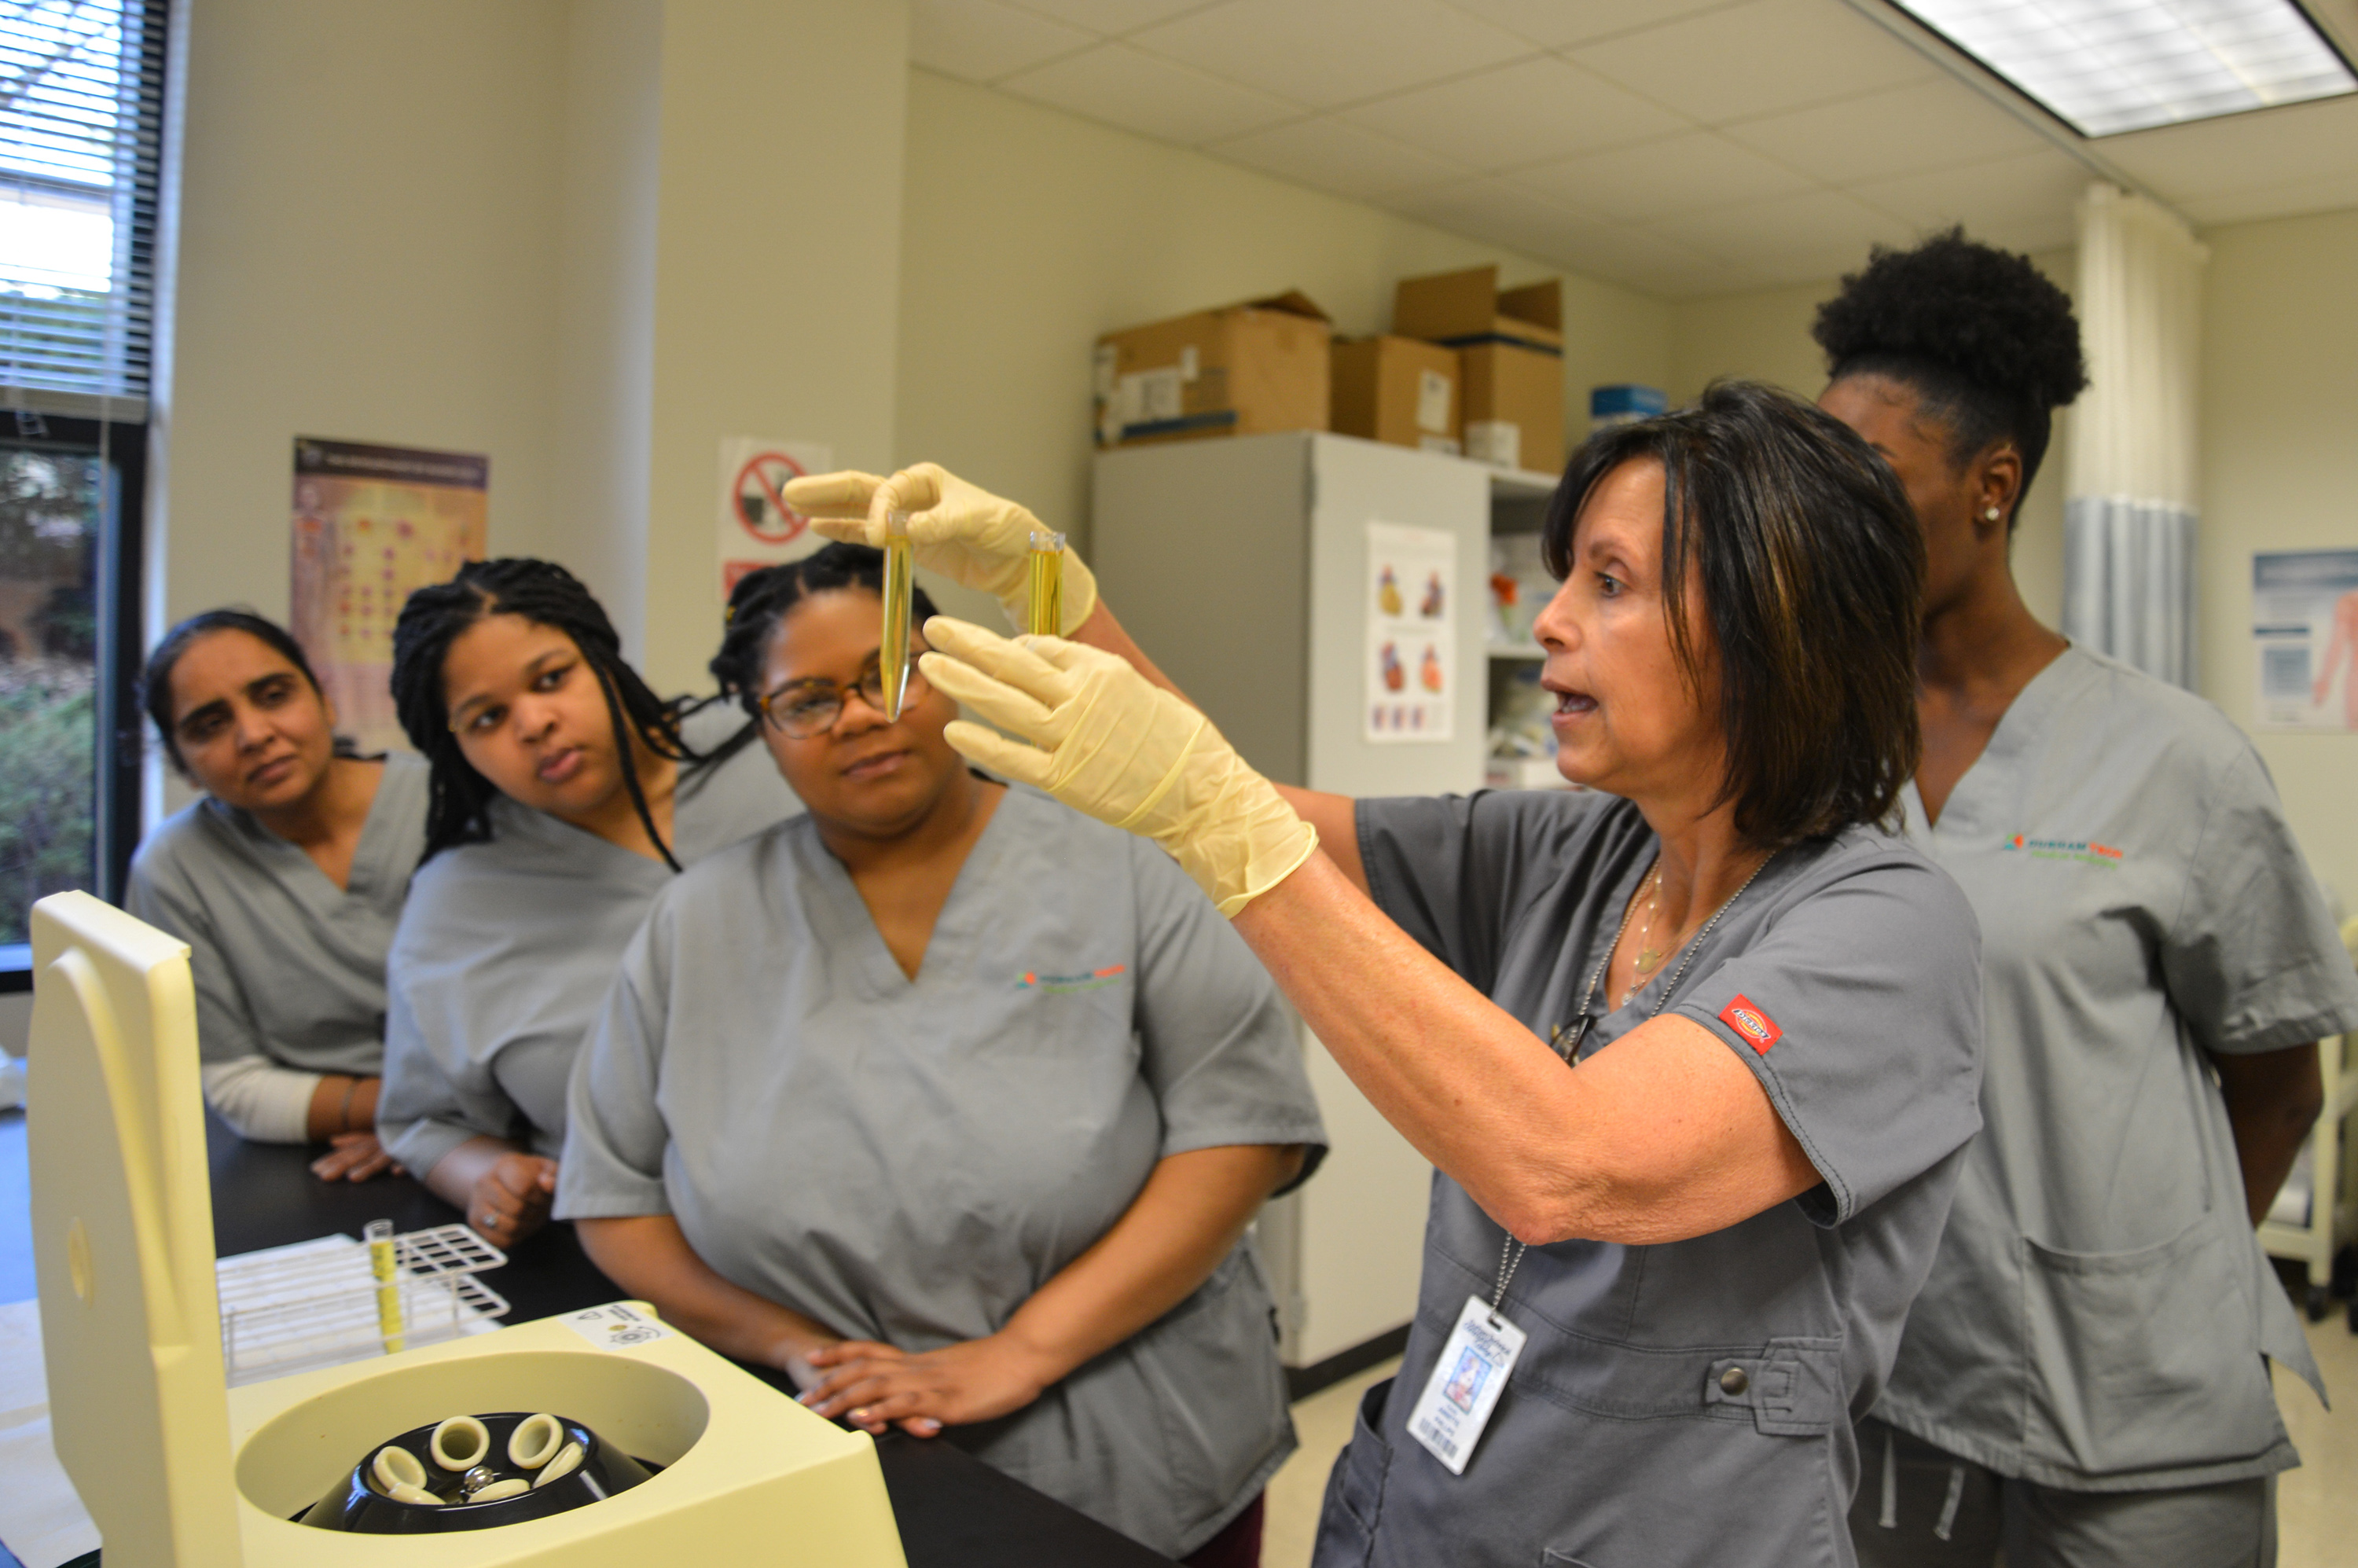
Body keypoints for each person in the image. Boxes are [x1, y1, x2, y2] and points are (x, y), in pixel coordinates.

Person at [789, 393, 1986, 1568]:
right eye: (1567, 576)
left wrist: (1211, 816)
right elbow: (1251, 807)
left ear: (1775, 630)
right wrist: (1047, 588)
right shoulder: (1580, 849)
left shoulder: (1886, 930)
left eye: (1610, 583)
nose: (1551, 620)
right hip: (1421, 1515)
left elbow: (1570, 1164)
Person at [553, 545, 1322, 1565]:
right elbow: (614, 1194)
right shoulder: (694, 923)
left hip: (1137, 1439)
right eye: (806, 700)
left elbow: (1242, 1131)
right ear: (760, 728)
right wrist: (793, 1345)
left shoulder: (1125, 864)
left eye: (891, 672)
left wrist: (1022, 1350)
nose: (860, 716)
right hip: (827, 1438)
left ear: (950, 669)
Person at [1813, 231, 2358, 1566]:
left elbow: (2280, 1086)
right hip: (1891, 1392)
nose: (1830, 517)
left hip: (2140, 1425)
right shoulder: (1816, 757)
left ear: (1992, 486)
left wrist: (2140, 1297)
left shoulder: (2176, 759)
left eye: (1870, 479)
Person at [376, 559, 799, 1245]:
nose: (534, 723)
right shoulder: (453, 905)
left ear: (602, 655)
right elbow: (426, 1122)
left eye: (551, 679)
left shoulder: (780, 752)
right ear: (456, 749)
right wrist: (490, 1178)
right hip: (632, 1251)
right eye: (487, 717)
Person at [127, 608, 425, 1181]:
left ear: (325, 699)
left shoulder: (452, 803)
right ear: (183, 766)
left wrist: (445, 1127)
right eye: (209, 725)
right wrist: (410, 1114)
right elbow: (235, 1086)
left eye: (273, 695)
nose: (254, 734)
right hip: (320, 1158)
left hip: (525, 1130)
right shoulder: (175, 869)